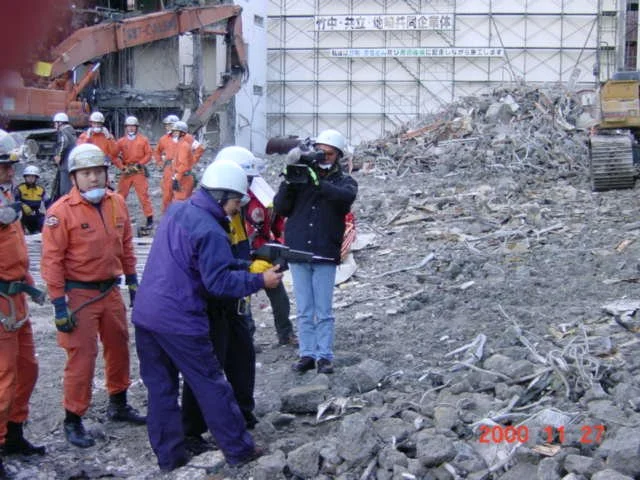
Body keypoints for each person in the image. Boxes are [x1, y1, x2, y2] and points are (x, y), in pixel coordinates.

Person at [132, 158, 282, 472]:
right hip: (180, 319)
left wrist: (246, 265)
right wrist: (259, 280)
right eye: (235, 202)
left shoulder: (178, 210)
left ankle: (171, 460)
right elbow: (218, 283)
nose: (237, 208)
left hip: (147, 315)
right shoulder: (212, 231)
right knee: (211, 383)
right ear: (221, 196)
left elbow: (198, 262)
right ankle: (239, 450)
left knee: (161, 390)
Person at [41, 144, 145, 449]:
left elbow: (126, 245)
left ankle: (119, 403)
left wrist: (133, 282)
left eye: (98, 172)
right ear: (74, 177)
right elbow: (51, 262)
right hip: (78, 296)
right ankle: (73, 418)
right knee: (82, 358)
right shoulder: (60, 213)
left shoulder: (117, 203)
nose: (94, 179)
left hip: (110, 290)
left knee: (119, 347)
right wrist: (59, 305)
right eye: (87, 173)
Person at [180, 147, 266, 454]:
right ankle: (192, 428)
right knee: (208, 364)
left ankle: (242, 411)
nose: (246, 195)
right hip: (216, 297)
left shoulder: (237, 210)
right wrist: (252, 276)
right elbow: (214, 269)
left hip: (236, 294)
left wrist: (254, 264)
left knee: (242, 355)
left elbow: (240, 251)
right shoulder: (207, 215)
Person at [273, 129, 358, 374]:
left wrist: (317, 181)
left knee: (323, 310)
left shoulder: (344, 181)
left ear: (338, 155)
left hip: (323, 252)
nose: (323, 157)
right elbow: (281, 207)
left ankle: (324, 355)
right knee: (304, 309)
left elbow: (345, 199)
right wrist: (289, 178)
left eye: (329, 153)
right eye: (320, 152)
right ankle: (307, 354)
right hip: (299, 250)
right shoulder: (300, 179)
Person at [0, 131, 46, 479]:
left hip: (16, 298)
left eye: (10, 166)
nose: (10, 173)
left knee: (27, 369)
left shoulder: (6, 198)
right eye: (3, 166)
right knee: (3, 376)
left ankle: (14, 434)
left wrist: (29, 285)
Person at [227, 146, 296, 345]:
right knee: (243, 298)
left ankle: (285, 333)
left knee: (279, 296)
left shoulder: (262, 195)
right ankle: (246, 337)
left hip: (263, 252)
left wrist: (280, 246)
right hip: (240, 256)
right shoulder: (225, 202)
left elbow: (277, 221)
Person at [113, 116, 154, 230]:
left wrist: (140, 164)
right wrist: (122, 167)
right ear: (126, 128)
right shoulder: (121, 141)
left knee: (143, 195)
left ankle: (149, 219)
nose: (131, 129)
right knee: (120, 196)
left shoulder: (143, 140)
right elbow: (114, 156)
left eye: (133, 126)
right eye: (129, 126)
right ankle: (117, 218)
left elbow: (149, 154)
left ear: (136, 128)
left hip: (138, 171)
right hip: (127, 170)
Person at [169, 121, 204, 203]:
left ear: (182, 132)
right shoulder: (180, 142)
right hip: (181, 174)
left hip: (183, 176)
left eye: (176, 132)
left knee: (180, 201)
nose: (174, 134)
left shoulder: (186, 140)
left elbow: (200, 148)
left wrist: (192, 161)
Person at [153, 114, 180, 213]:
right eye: (167, 125)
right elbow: (156, 152)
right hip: (168, 168)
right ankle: (166, 216)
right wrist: (160, 163)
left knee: (181, 193)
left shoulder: (185, 138)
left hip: (181, 167)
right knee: (167, 193)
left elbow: (196, 149)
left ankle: (181, 215)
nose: (168, 127)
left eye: (170, 125)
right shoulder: (163, 139)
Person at [15, 165, 50, 234]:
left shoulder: (41, 189)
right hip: (23, 215)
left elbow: (48, 202)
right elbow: (15, 201)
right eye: (28, 176)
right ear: (25, 177)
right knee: (19, 229)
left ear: (36, 178)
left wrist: (51, 212)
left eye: (33, 176)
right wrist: (23, 206)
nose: (30, 178)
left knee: (44, 223)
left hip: (35, 214)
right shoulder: (19, 188)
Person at [52, 112, 76, 199]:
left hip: (65, 165)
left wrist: (58, 155)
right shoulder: (72, 132)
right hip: (71, 165)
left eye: (55, 123)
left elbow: (63, 142)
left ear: (60, 123)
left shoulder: (63, 132)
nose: (54, 125)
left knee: (64, 190)